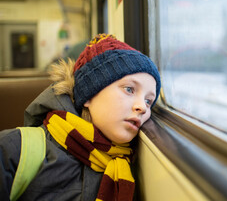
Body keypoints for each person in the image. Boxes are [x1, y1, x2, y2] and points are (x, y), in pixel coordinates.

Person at [0, 33, 161, 201]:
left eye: (149, 101)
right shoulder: (15, 149)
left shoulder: (130, 166)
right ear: (89, 95)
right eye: (129, 89)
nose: (142, 107)